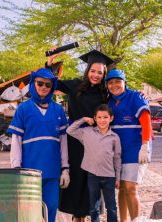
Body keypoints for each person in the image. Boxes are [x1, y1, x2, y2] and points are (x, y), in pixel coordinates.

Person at [47, 50, 114, 221]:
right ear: (87, 70)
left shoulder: (105, 93)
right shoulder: (75, 86)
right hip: (75, 140)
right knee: (77, 178)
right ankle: (77, 217)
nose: (96, 75)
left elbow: (122, 93)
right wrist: (49, 65)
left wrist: (141, 96)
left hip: (95, 141)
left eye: (100, 72)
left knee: (92, 180)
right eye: (93, 71)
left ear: (104, 73)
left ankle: (88, 215)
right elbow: (53, 83)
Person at [7, 68, 70, 222]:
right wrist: (16, 168)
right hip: (29, 172)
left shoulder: (58, 110)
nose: (43, 87)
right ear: (33, 84)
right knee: (30, 213)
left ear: (52, 88)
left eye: (48, 85)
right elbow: (16, 142)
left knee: (51, 211)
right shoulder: (23, 109)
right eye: (40, 83)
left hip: (53, 172)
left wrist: (65, 169)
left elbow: (63, 142)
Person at [105, 69, 152, 222]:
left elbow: (146, 121)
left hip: (136, 149)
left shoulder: (136, 97)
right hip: (118, 152)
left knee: (131, 188)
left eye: (117, 81)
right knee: (122, 188)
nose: (114, 85)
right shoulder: (109, 102)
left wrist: (145, 145)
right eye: (110, 83)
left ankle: (135, 220)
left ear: (124, 82)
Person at [66, 104, 121, 222]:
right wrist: (84, 120)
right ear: (95, 118)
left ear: (111, 118)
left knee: (111, 207)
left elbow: (117, 158)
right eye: (99, 117)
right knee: (93, 208)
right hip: (93, 175)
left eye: (105, 117)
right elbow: (70, 130)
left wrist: (118, 178)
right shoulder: (86, 132)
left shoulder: (115, 137)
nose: (102, 120)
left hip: (109, 176)